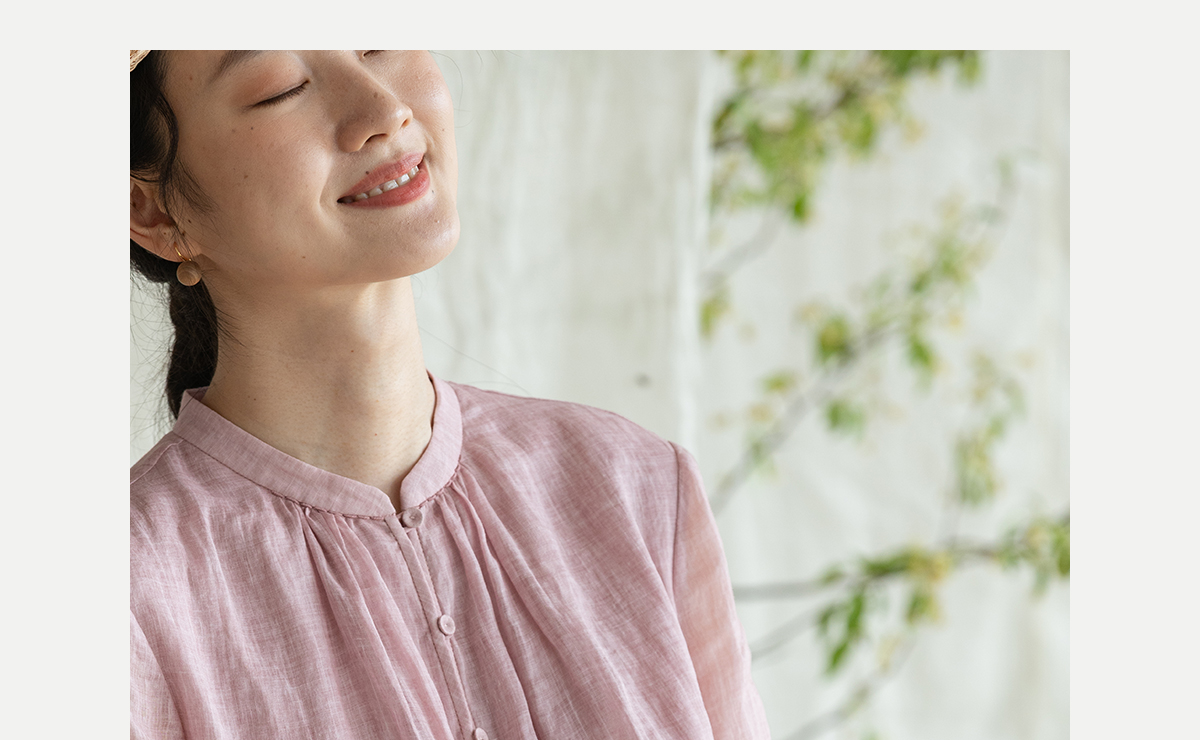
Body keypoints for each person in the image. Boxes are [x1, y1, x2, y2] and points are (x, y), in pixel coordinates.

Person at [129, 50, 771, 740]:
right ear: (153, 211)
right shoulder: (127, 597)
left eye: (377, 40)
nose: (384, 110)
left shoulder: (635, 484)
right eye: (280, 88)